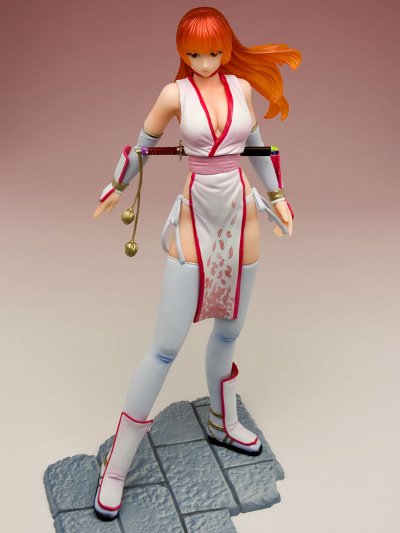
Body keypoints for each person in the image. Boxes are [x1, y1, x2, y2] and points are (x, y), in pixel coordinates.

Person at [92, 6, 301, 521]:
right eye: (193, 53)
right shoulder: (174, 95)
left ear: (226, 49)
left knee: (229, 331)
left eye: (212, 52)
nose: (204, 62)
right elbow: (142, 147)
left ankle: (222, 421)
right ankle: (117, 466)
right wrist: (115, 185)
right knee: (165, 347)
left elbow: (257, 149)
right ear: (181, 52)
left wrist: (278, 198)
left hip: (241, 213)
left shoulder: (241, 89)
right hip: (195, 217)